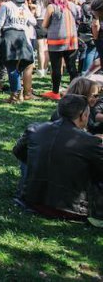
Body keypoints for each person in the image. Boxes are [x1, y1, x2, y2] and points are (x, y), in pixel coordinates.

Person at [13, 94, 103, 226]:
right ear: (83, 115)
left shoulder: (35, 130)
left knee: (32, 156)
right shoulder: (90, 142)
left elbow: (18, 153)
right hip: (73, 210)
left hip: (31, 201)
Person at [0, 0, 36, 104]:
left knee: (12, 67)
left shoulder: (6, 5)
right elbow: (33, 21)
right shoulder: (23, 6)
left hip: (10, 36)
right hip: (22, 36)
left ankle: (15, 95)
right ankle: (19, 93)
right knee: (20, 66)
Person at [42, 0, 80, 100]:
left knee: (56, 67)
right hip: (72, 41)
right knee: (72, 67)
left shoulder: (51, 7)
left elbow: (44, 24)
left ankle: (55, 92)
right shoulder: (73, 6)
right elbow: (78, 19)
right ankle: (76, 91)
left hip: (56, 42)